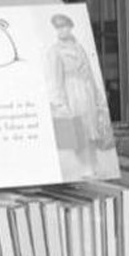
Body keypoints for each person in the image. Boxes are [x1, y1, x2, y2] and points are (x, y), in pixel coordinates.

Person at [44, 13, 116, 179]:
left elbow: (89, 72)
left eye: (65, 27)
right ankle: (84, 168)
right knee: (79, 131)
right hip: (71, 93)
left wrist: (98, 96)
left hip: (87, 91)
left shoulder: (79, 47)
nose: (62, 30)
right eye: (58, 28)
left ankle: (94, 166)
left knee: (92, 129)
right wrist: (60, 102)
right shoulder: (55, 51)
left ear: (70, 27)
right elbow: (55, 79)